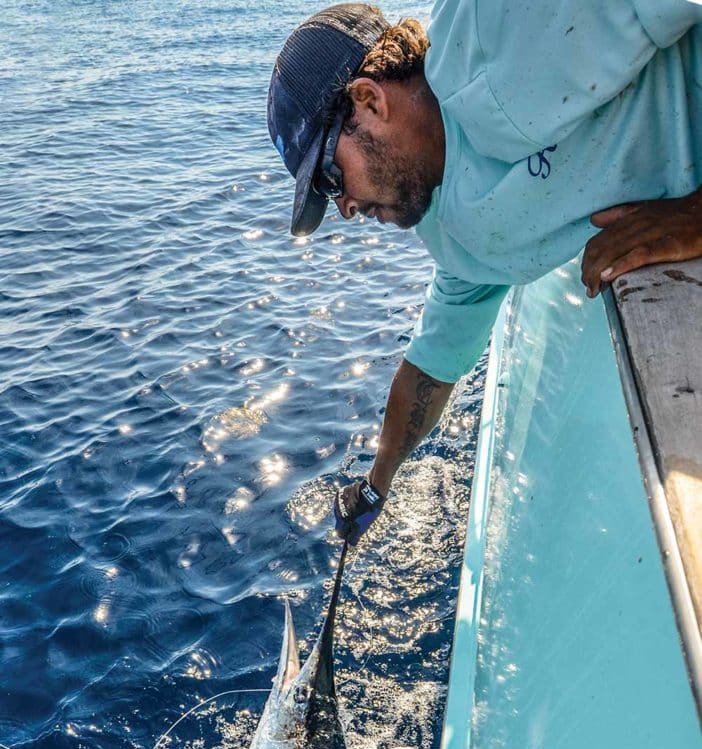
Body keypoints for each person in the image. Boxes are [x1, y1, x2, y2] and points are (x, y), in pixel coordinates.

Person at [267, 2, 702, 545]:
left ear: (368, 100)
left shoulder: (495, 25)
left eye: (332, 179)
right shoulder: (450, 231)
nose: (345, 209)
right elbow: (430, 366)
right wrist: (375, 489)